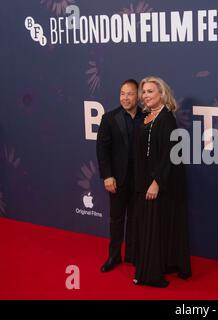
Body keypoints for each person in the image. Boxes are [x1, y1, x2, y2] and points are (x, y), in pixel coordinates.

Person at [133, 76, 191, 287]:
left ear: (162, 94)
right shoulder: (148, 116)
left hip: (159, 184)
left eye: (150, 91)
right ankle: (151, 267)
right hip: (143, 182)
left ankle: (151, 274)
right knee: (149, 226)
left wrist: (157, 182)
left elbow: (169, 155)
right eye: (144, 92)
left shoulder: (167, 119)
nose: (145, 95)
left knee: (155, 227)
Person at [96, 79, 144, 272]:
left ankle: (132, 255)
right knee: (117, 219)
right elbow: (102, 150)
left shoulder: (147, 117)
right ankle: (114, 256)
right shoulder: (109, 118)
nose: (125, 97)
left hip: (140, 180)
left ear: (138, 96)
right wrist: (107, 176)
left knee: (136, 219)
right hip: (117, 179)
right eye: (122, 93)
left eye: (130, 93)